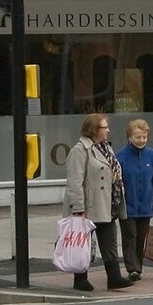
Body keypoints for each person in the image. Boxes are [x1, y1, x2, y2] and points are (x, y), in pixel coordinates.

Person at [62, 114, 130, 292]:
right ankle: (80, 278)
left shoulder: (106, 147)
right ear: (94, 130)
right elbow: (74, 182)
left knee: (109, 240)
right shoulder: (80, 150)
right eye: (104, 127)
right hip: (88, 204)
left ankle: (114, 277)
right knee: (83, 242)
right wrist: (78, 208)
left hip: (107, 203)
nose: (108, 130)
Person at [115, 118, 153, 281]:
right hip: (127, 206)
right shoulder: (120, 156)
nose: (141, 140)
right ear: (129, 137)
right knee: (130, 235)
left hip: (145, 205)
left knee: (141, 238)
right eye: (138, 137)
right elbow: (115, 182)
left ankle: (138, 267)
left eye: (144, 137)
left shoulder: (152, 156)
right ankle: (132, 268)